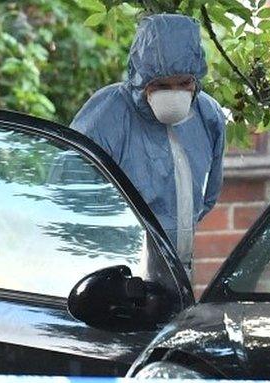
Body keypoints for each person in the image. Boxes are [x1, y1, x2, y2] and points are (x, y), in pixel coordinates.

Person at [71, 14, 226, 276]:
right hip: (113, 274)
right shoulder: (107, 114)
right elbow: (74, 195)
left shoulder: (207, 115)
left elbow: (208, 196)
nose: (174, 93)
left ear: (196, 78)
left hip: (179, 272)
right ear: (141, 78)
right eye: (162, 85)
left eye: (184, 83)